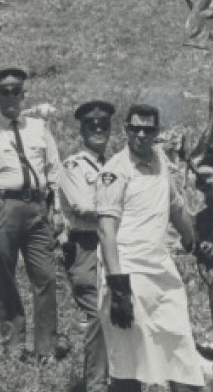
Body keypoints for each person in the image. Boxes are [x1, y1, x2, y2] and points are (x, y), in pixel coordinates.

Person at [96, 104, 213, 392]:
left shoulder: (161, 162)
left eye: (148, 129)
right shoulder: (114, 171)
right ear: (125, 129)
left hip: (161, 272)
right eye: (135, 128)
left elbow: (175, 207)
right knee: (129, 364)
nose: (141, 134)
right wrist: (118, 286)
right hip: (127, 272)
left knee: (181, 354)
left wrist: (195, 243)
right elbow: (105, 229)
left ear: (156, 133)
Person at [0, 68, 67, 362]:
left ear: (24, 95)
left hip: (37, 209)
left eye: (16, 91)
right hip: (1, 208)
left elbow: (54, 170)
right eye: (4, 92)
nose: (11, 98)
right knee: (4, 278)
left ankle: (46, 348)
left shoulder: (39, 128)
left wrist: (59, 209)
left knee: (46, 277)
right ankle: (13, 346)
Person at [57, 100, 116, 392]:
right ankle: (95, 384)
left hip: (115, 243)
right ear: (81, 129)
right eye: (91, 126)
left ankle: (118, 378)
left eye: (103, 125)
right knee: (96, 312)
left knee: (118, 308)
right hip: (86, 246)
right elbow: (81, 206)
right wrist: (121, 209)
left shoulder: (114, 164)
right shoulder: (73, 166)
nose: (98, 130)